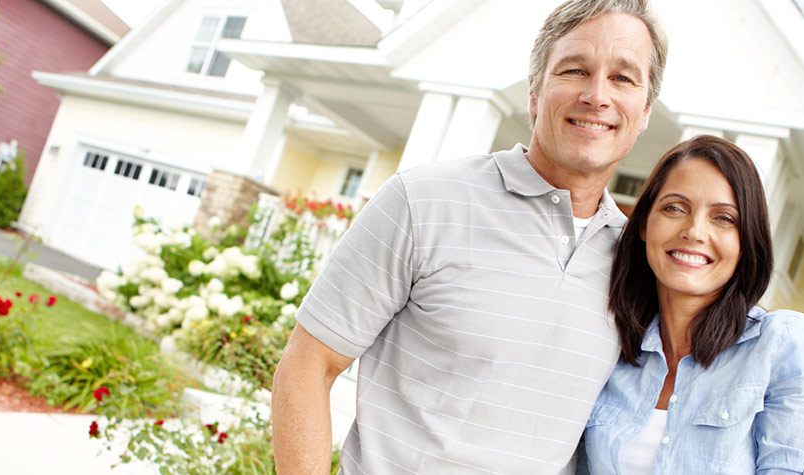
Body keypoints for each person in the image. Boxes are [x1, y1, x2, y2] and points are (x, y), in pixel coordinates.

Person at [269, 0, 668, 473]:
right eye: (575, 69)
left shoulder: (638, 261)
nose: (597, 95)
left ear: (644, 111)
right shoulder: (422, 201)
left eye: (623, 78)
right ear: (535, 92)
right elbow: (308, 366)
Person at [580, 135, 804, 474]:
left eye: (723, 218)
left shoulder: (786, 347)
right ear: (645, 224)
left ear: (746, 242)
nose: (694, 231)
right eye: (675, 208)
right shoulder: (611, 347)